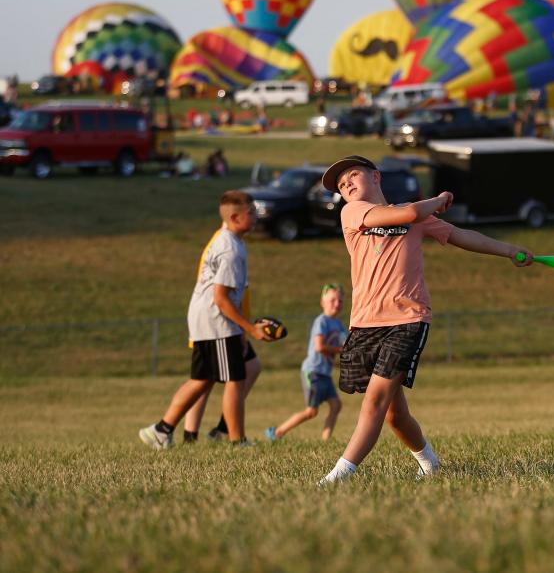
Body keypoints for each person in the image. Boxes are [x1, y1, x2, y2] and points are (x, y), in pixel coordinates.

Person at [317, 155, 534, 483]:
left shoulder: (416, 213)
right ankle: (431, 465)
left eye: (352, 175)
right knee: (395, 415)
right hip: (365, 321)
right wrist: (439, 199)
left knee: (375, 402)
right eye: (340, 185)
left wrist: (508, 250)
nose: (345, 184)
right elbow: (409, 213)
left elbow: (460, 235)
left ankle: (337, 478)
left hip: (407, 317)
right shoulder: (353, 212)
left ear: (375, 177)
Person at [139, 191, 269, 448]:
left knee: (203, 379)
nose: (256, 216)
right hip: (216, 320)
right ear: (234, 217)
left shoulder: (231, 240)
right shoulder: (230, 250)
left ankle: (161, 430)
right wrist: (250, 329)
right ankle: (236, 440)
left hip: (210, 318)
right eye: (251, 212)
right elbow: (220, 298)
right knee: (234, 379)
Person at [265, 283, 348, 442]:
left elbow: (346, 343)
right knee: (311, 411)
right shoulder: (321, 321)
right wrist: (340, 351)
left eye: (340, 301)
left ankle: (326, 440)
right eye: (332, 300)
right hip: (313, 372)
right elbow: (319, 347)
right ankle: (277, 432)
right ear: (322, 302)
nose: (337, 304)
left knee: (336, 405)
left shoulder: (338, 324)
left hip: (325, 373)